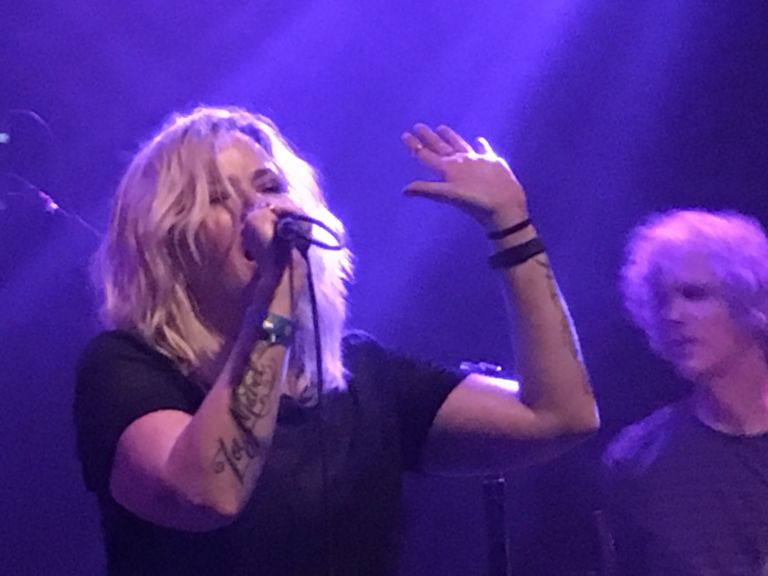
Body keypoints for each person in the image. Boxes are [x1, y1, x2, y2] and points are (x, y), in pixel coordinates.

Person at [74, 105, 598, 576]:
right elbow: (207, 495)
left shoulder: (363, 375)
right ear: (169, 243)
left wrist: (511, 227)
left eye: (269, 187)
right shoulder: (128, 368)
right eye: (217, 198)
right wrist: (276, 293)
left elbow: (560, 416)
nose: (259, 211)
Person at [602, 209, 768, 575]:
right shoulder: (638, 459)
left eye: (694, 294)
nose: (673, 314)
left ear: (751, 300)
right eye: (661, 301)